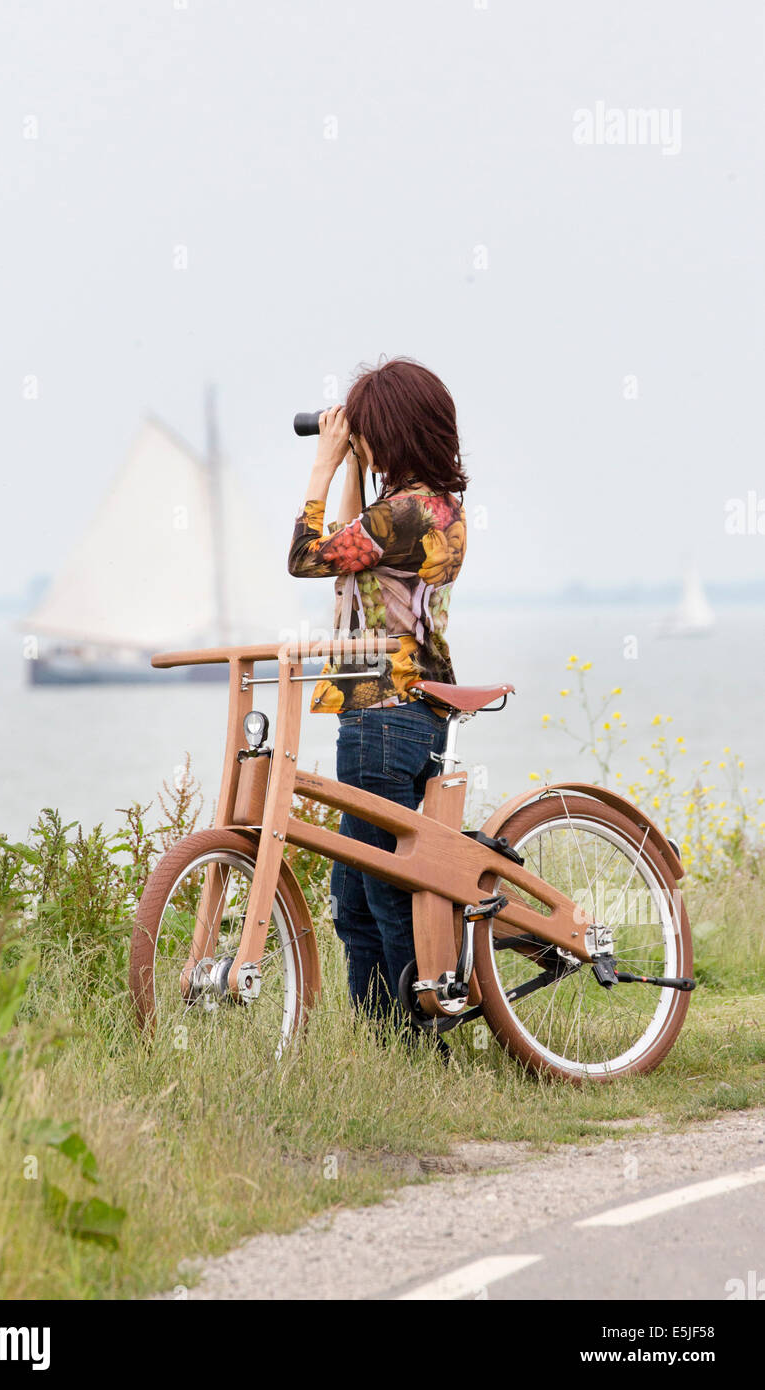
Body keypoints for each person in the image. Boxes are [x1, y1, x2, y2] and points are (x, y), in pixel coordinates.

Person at [288, 357, 468, 1019]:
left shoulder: (403, 514)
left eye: (363, 431)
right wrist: (356, 470)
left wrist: (324, 465)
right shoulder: (432, 507)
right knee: (359, 889)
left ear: (386, 431)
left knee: (384, 890)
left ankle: (416, 1046)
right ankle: (388, 1044)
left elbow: (308, 555)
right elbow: (349, 542)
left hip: (382, 714)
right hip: (408, 711)